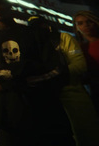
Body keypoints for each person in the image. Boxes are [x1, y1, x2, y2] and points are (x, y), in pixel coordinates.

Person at [0, 0, 75, 146]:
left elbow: (56, 68)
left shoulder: (35, 33)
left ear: (8, 4)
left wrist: (10, 82)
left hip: (45, 112)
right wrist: (28, 66)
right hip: (8, 116)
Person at [29, 15, 99, 146]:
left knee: (87, 136)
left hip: (73, 94)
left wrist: (54, 75)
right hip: (50, 99)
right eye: (34, 27)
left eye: (42, 25)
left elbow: (80, 66)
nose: (40, 30)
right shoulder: (33, 44)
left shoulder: (63, 38)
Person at [73, 10, 99, 115]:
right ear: (77, 28)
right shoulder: (78, 48)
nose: (86, 25)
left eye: (89, 21)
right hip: (95, 88)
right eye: (80, 23)